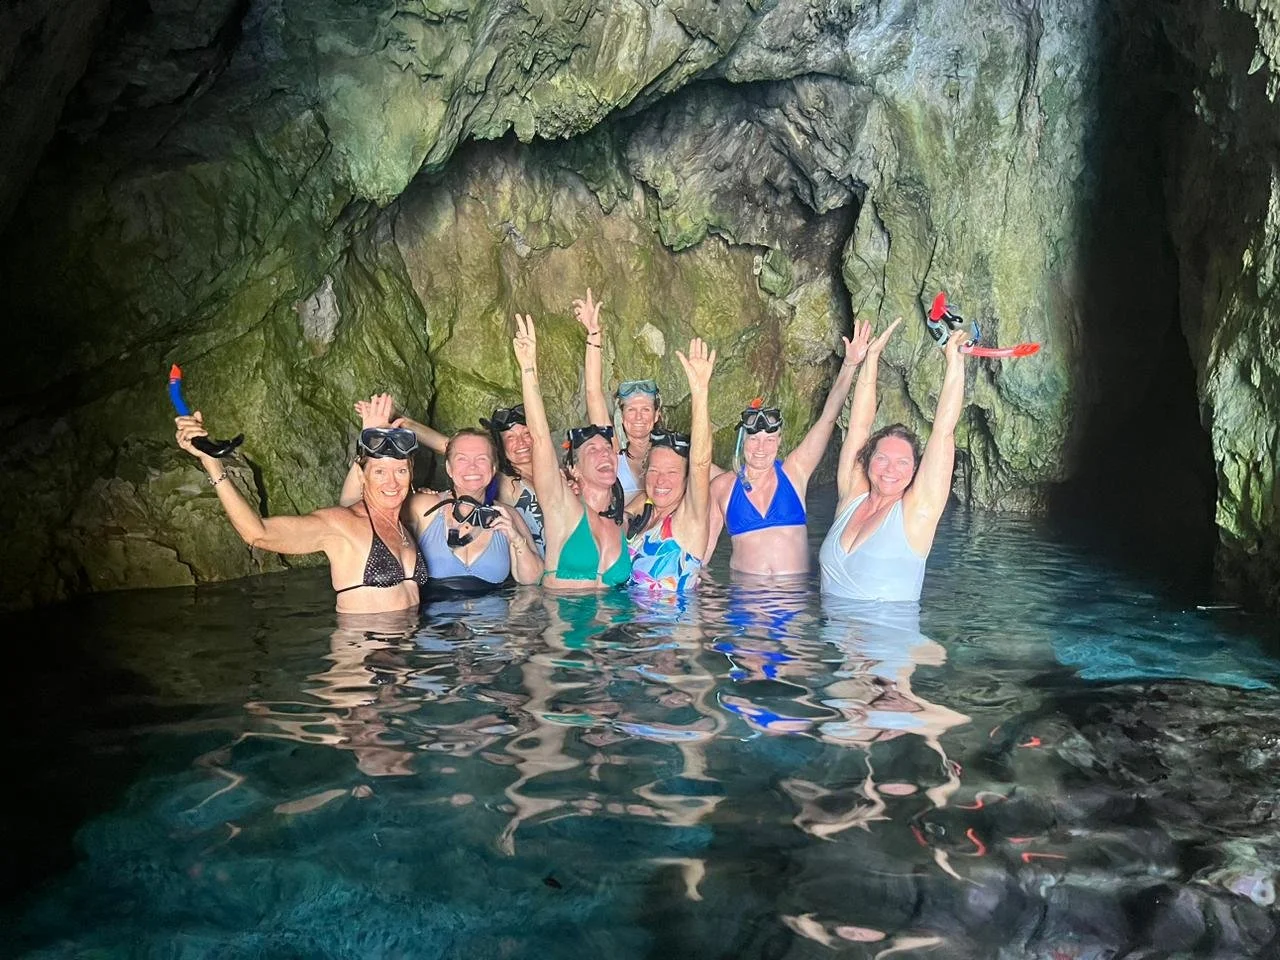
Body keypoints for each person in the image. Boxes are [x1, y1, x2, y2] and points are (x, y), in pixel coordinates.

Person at [175, 412, 428, 614]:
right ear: (362, 476)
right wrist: (211, 462)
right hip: (361, 670)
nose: (392, 483)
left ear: (411, 474)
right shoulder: (341, 524)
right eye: (380, 472)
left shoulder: (402, 526)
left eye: (401, 471)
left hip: (405, 666)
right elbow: (257, 533)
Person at [818, 318, 964, 602]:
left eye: (902, 463)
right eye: (882, 459)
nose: (890, 470)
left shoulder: (917, 513)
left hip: (890, 643)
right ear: (868, 460)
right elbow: (859, 427)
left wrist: (955, 363)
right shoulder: (851, 498)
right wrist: (871, 359)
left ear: (915, 470)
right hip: (833, 641)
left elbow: (943, 432)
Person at [705, 331, 869, 576]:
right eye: (754, 440)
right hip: (747, 603)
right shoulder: (722, 487)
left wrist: (850, 364)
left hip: (795, 603)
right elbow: (703, 555)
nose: (761, 448)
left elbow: (827, 419)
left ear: (779, 441)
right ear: (742, 442)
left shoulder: (795, 471)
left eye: (769, 440)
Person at [342, 396, 542, 594]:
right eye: (462, 459)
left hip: (494, 624)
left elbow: (532, 579)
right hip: (433, 624)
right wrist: (369, 445)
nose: (472, 467)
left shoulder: (507, 515)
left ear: (493, 468)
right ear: (448, 467)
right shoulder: (423, 507)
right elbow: (352, 511)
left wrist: (516, 539)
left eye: (481, 459)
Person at [512, 312, 632, 590]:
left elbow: (595, 394)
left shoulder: (621, 523)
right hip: (569, 631)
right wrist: (528, 367)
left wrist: (595, 337)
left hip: (615, 630)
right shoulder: (561, 506)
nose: (604, 454)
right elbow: (540, 438)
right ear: (574, 469)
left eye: (608, 449)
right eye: (592, 450)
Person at [627, 338, 717, 593]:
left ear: (687, 480)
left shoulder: (690, 518)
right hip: (631, 626)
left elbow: (700, 463)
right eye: (654, 471)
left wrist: (700, 391)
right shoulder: (642, 512)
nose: (660, 480)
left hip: (671, 630)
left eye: (671, 473)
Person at [575, 288, 660, 499]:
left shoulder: (670, 454)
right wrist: (594, 334)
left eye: (646, 409)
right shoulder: (612, 454)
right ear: (621, 416)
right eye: (631, 410)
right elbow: (593, 392)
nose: (639, 417)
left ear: (656, 415)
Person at [480, 401, 545, 556]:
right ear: (499, 445)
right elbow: (460, 451)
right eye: (510, 437)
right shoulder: (505, 481)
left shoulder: (556, 473)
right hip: (539, 571)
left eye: (526, 433)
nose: (521, 442)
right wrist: (410, 424)